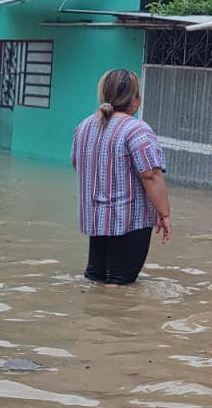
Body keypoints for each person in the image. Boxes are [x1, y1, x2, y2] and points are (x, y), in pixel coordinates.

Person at [71, 68, 171, 286]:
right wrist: (164, 214)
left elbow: (77, 165)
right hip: (129, 223)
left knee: (95, 279)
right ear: (136, 99)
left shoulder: (84, 126)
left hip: (96, 220)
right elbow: (151, 176)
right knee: (119, 287)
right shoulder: (137, 129)